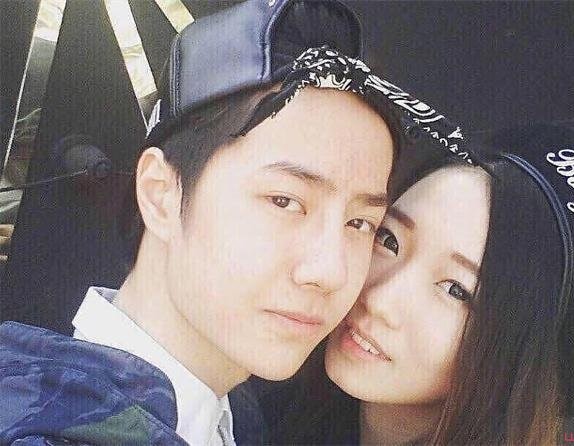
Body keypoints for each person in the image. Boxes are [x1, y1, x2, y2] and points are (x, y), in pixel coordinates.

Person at [0, 1, 409, 444]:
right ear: (161, 193)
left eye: (360, 223)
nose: (330, 272)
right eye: (284, 201)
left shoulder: (234, 415)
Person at [256, 124, 574, 445]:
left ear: (519, 364)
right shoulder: (249, 403)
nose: (380, 298)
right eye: (389, 240)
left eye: (456, 290)